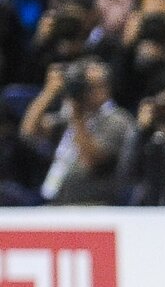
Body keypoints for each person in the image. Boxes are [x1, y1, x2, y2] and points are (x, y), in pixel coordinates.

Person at [18, 56, 135, 204]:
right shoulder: (69, 117)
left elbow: (93, 162)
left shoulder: (118, 120)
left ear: (105, 87)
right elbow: (29, 131)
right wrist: (49, 93)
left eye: (90, 86)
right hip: (58, 202)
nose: (84, 93)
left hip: (94, 205)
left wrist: (77, 118)